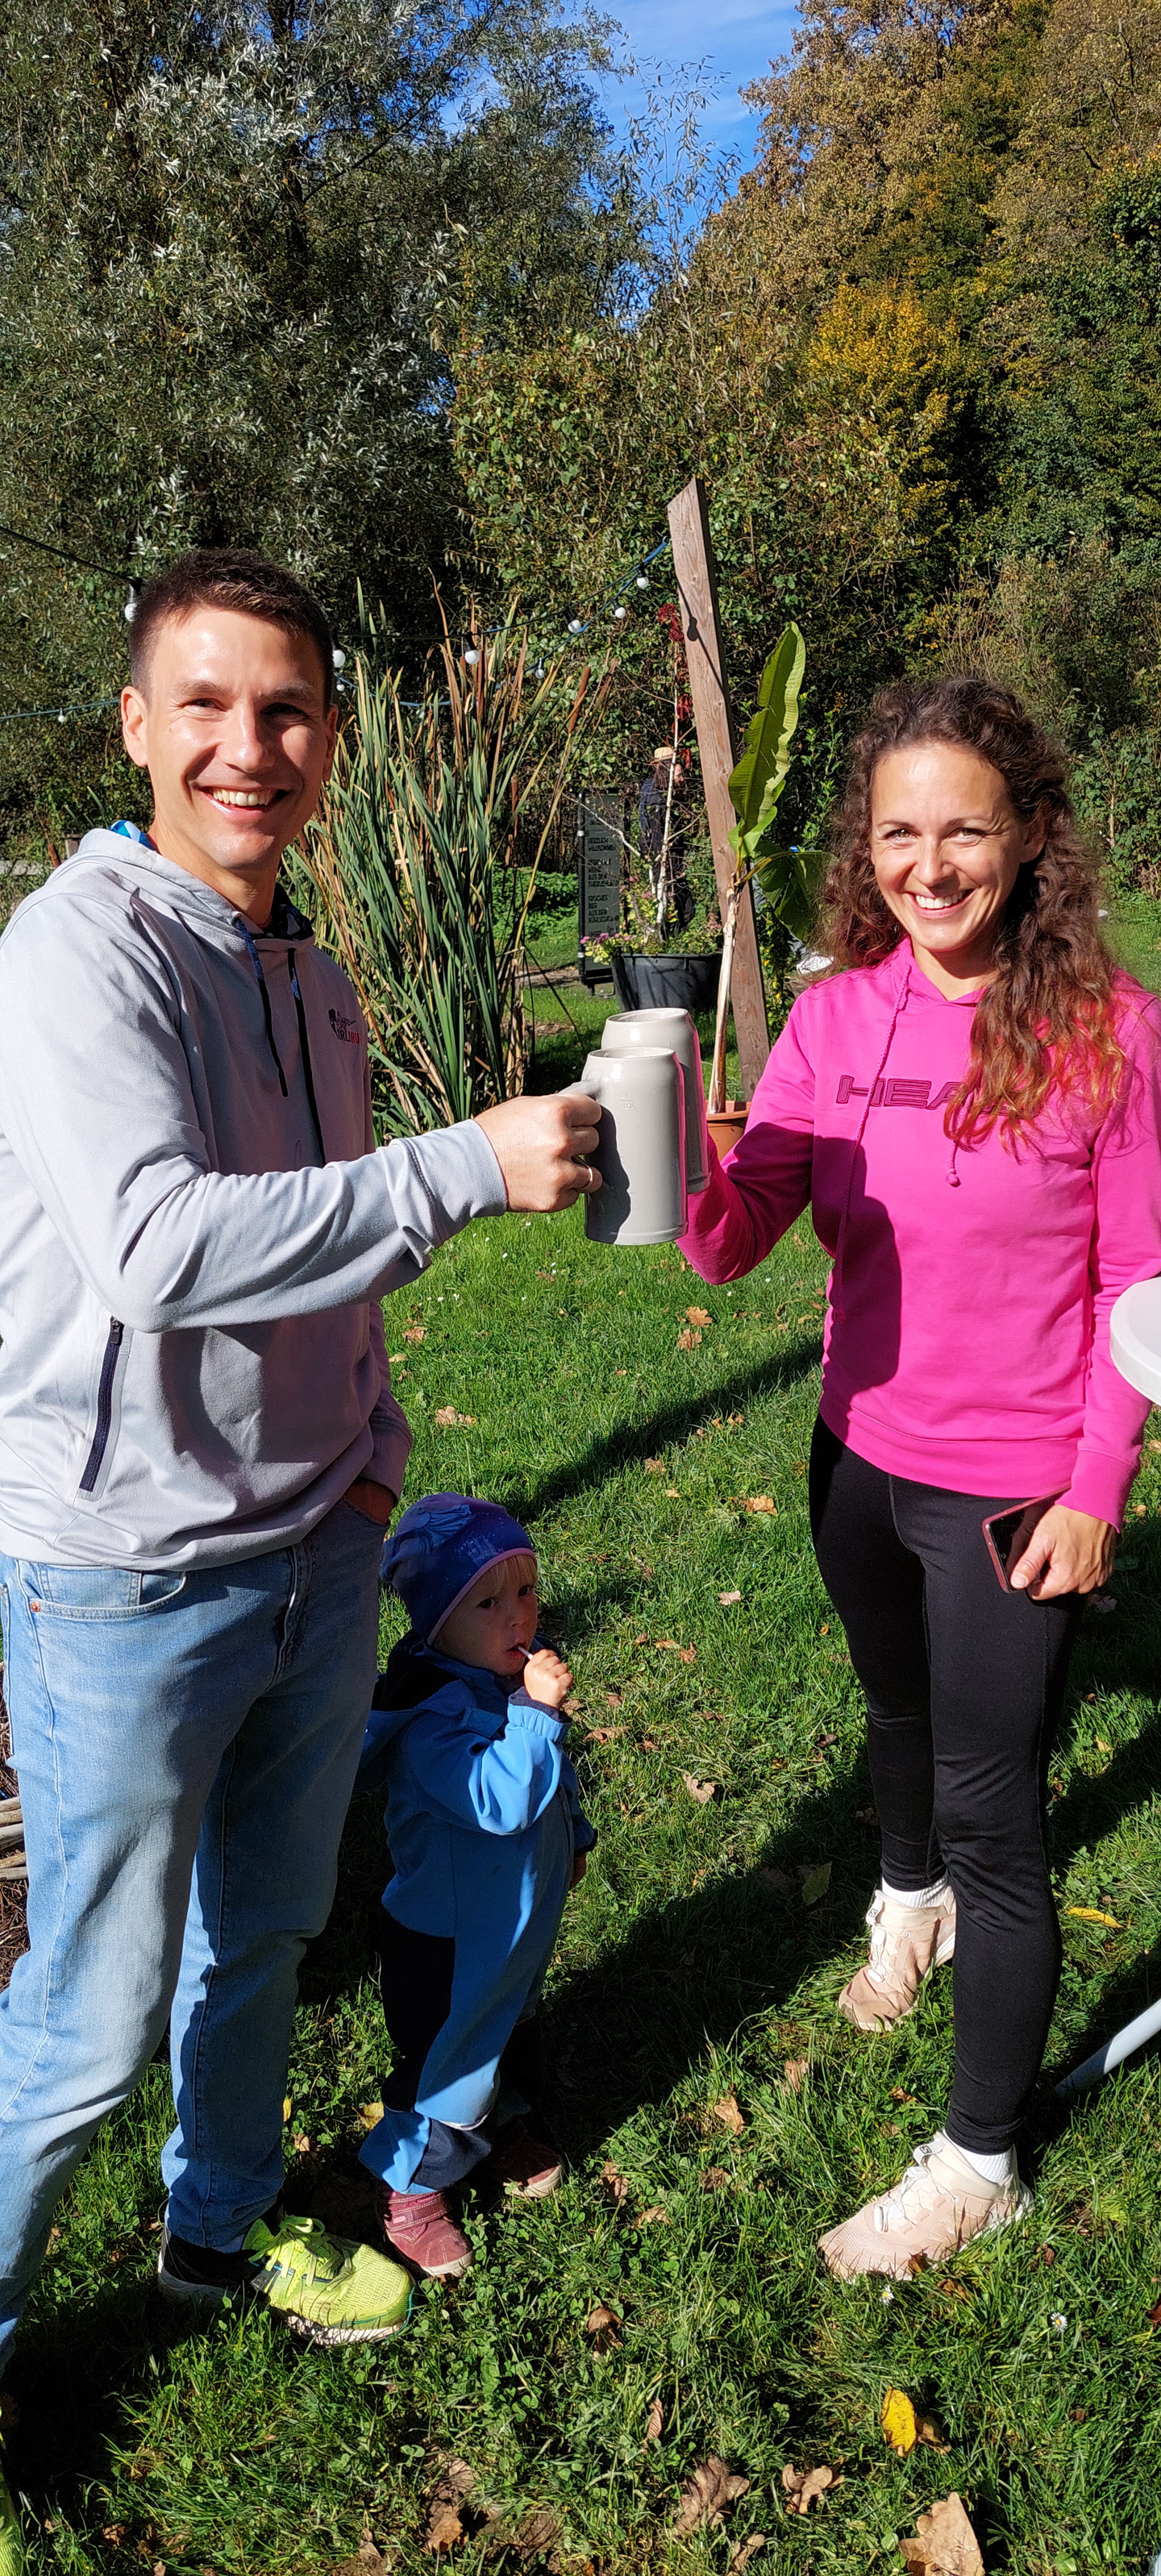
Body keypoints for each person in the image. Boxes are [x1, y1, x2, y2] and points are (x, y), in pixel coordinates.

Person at [0, 548, 601, 2553]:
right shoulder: (76, 953)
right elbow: (154, 1247)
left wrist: (370, 1461)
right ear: (135, 726)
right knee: (85, 2022)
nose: (246, 746)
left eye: (286, 710)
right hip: (119, 1575)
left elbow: (334, 1263)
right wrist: (463, 1161)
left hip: (312, 1553)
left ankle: (219, 2229)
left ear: (329, 737)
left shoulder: (311, 977)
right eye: (205, 703)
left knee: (259, 1931)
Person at [678, 675, 1161, 2279]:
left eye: (965, 829)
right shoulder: (835, 1020)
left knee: (995, 1812)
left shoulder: (1110, 1031)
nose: (930, 864)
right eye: (900, 832)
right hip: (855, 1456)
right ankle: (907, 1901)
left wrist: (1098, 1485)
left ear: (1027, 840)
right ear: (864, 848)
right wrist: (678, 1160)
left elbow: (1141, 1281)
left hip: (1018, 1487)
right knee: (896, 1718)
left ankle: (980, 2159)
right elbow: (737, 1237)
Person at [355, 1493, 593, 2280]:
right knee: (451, 2067)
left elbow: (554, 1780)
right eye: (487, 1602)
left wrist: (575, 1834)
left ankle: (500, 2129)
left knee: (510, 2033)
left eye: (525, 1589)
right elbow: (501, 1801)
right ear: (435, 1623)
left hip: (510, 1926)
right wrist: (536, 1716)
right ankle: (412, 2190)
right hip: (450, 1943)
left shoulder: (504, 1680)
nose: (518, 1614)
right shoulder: (431, 1718)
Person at [639, 747, 694, 930]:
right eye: (678, 775)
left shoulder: (658, 792)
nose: (682, 779)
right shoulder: (655, 797)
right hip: (663, 859)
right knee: (676, 908)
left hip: (670, 859)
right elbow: (654, 833)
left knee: (681, 909)